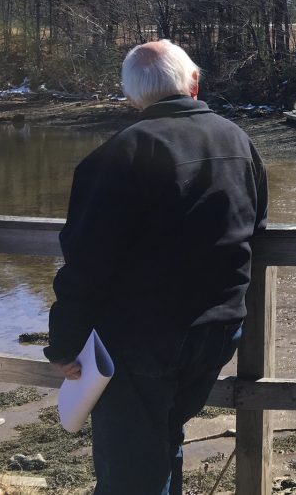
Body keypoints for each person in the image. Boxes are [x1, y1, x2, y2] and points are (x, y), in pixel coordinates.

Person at [44, 40, 269, 495]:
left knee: (131, 472)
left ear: (133, 97)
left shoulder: (120, 153)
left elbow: (86, 263)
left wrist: (64, 343)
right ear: (193, 83)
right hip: (219, 330)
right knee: (165, 439)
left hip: (143, 339)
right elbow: (255, 227)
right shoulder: (237, 140)